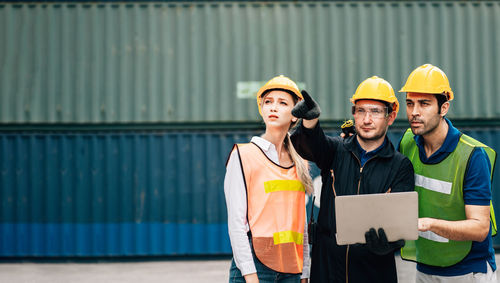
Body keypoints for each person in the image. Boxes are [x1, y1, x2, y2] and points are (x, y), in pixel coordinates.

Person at [290, 76, 415, 283]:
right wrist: (310, 121)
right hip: (327, 271)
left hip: (373, 273)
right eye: (361, 111)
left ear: (390, 116)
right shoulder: (334, 151)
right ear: (353, 114)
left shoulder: (400, 166)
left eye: (375, 112)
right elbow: (310, 144)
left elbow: (400, 226)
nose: (367, 119)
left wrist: (389, 243)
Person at [398, 63, 498, 282]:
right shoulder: (407, 143)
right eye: (409, 103)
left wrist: (429, 224)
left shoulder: (473, 155)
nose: (414, 112)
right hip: (425, 266)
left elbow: (480, 227)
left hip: (469, 271)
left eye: (424, 104)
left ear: (444, 108)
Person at [224, 75, 313, 283]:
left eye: (283, 103)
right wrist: (250, 275)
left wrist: (305, 272)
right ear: (262, 109)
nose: (273, 107)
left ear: (294, 116)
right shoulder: (243, 155)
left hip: (292, 268)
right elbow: (237, 224)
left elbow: (301, 225)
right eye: (268, 102)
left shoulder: (300, 162)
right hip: (255, 268)